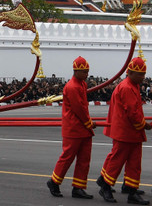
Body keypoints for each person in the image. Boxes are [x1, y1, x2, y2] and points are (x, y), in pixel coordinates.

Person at [97, 57, 151, 204]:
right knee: (117, 161)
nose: (143, 77)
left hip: (131, 132)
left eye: (143, 74)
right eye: (141, 74)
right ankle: (106, 187)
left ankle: (131, 189)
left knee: (134, 163)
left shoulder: (132, 85)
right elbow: (132, 112)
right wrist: (145, 124)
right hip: (126, 132)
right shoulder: (127, 87)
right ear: (131, 73)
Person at [47, 56, 93, 199]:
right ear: (76, 71)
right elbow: (78, 108)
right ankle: (54, 181)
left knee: (84, 159)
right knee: (67, 157)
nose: (87, 74)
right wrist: (89, 123)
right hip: (73, 128)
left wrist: (87, 123)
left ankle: (78, 187)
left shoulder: (82, 84)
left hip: (83, 127)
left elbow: (83, 108)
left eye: (87, 71)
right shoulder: (72, 86)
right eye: (85, 72)